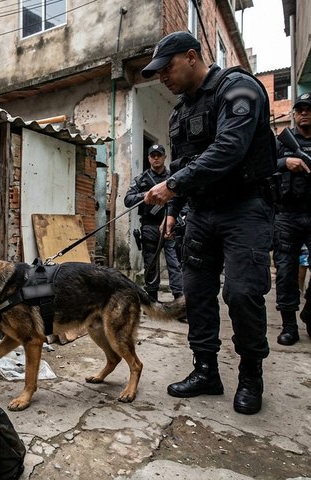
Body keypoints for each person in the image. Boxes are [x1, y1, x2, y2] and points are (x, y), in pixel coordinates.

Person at [142, 31, 276, 415]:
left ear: (191, 56)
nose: (163, 78)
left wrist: (172, 186)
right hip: (201, 213)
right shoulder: (179, 113)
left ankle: (250, 377)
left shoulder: (237, 88)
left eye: (167, 68)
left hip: (244, 209)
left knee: (242, 292)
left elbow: (229, 148)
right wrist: (172, 210)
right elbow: (182, 166)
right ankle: (205, 371)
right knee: (196, 293)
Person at [273, 92, 311, 344]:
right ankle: (289, 327)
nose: (304, 113)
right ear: (294, 114)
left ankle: (309, 313)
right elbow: (265, 165)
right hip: (287, 214)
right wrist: (285, 162)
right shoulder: (284, 142)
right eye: (299, 110)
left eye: (308, 109)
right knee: (286, 272)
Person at [124, 144, 184, 302]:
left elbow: (185, 199)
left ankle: (179, 299)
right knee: (150, 264)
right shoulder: (141, 179)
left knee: (175, 263)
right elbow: (128, 200)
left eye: (159, 155)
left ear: (164, 157)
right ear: (149, 158)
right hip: (150, 226)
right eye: (153, 155)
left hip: (170, 226)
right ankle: (152, 300)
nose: (156, 158)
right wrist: (146, 195)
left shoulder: (173, 179)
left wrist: (180, 217)